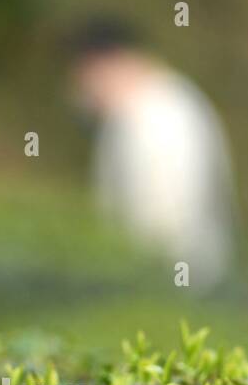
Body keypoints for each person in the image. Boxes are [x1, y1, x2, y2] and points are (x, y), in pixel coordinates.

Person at [68, 18, 237, 288]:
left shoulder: (161, 114)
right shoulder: (144, 109)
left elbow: (165, 224)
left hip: (172, 289)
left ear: (104, 64)